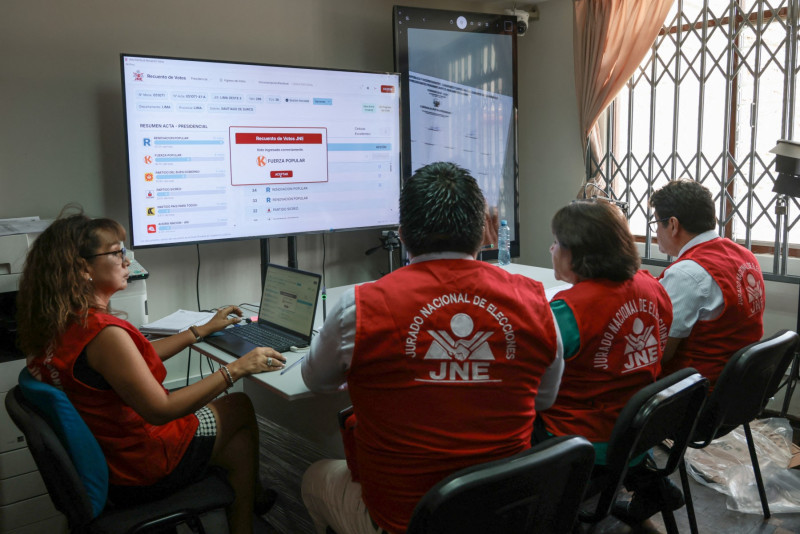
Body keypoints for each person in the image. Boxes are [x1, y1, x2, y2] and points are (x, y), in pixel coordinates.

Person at [300, 162, 564, 534]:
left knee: (313, 477)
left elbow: (316, 381)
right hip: (504, 512)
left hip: (401, 520)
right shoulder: (536, 303)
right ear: (483, 232)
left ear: (402, 234)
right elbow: (544, 400)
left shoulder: (358, 308)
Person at [16, 208, 285, 534]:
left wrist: (199, 331)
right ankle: (250, 507)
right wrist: (238, 368)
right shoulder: (105, 333)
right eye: (117, 253)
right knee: (238, 406)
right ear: (83, 267)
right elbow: (161, 410)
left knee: (236, 442)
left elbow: (131, 363)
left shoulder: (65, 322)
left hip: (111, 454)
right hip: (140, 466)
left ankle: (245, 516)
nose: (127, 260)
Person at [536, 200, 677, 525]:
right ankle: (644, 481)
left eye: (557, 242)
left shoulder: (568, 311)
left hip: (583, 441)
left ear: (576, 253)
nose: (551, 248)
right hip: (639, 432)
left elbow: (534, 380)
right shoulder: (651, 286)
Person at [650, 180, 765, 388]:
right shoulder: (745, 256)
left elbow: (660, 353)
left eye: (657, 223)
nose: (655, 232)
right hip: (737, 387)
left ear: (673, 225)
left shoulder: (686, 273)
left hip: (693, 394)